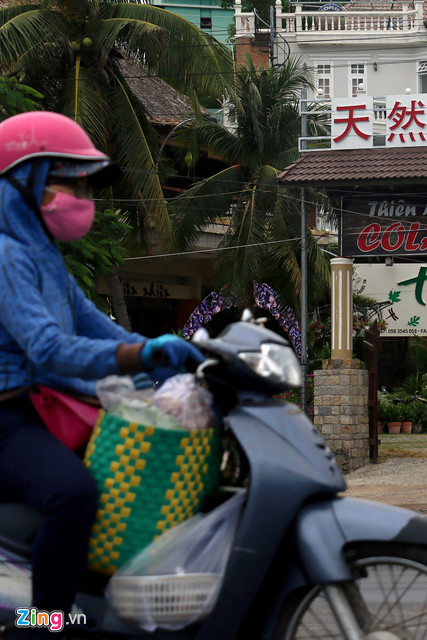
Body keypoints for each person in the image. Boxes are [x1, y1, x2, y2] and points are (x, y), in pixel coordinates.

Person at [0, 111, 204, 635]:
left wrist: (175, 351)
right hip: (10, 415)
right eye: (69, 181)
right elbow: (47, 348)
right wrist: (137, 358)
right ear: (24, 183)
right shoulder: (5, 256)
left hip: (44, 408)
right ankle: (45, 622)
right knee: (74, 494)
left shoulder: (45, 258)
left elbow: (98, 328)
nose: (81, 195)